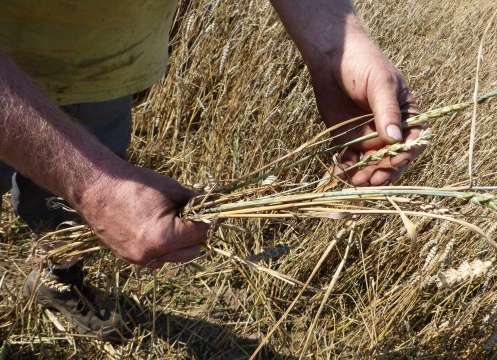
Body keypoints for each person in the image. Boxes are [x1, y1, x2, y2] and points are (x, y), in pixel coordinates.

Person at [0, 0, 424, 341]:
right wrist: (94, 186)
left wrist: (336, 43)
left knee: (65, 209)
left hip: (102, 74)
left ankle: (59, 277)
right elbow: (94, 185)